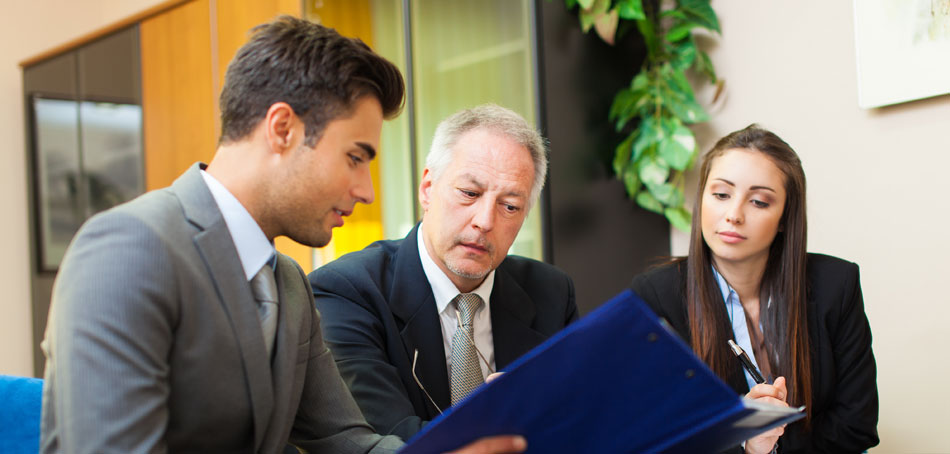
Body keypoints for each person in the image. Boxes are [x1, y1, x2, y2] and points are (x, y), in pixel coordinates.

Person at [40, 16, 526, 454]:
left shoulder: (287, 282)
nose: (366, 191)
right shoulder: (127, 249)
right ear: (282, 129)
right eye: (356, 158)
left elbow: (345, 439)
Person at [308, 104, 578, 440]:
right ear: (428, 188)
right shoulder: (346, 292)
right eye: (469, 193)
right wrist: (498, 420)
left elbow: (578, 422)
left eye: (509, 206)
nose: (485, 221)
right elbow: (389, 439)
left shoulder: (551, 291)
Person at [630, 125, 878, 454]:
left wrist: (772, 445)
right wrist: (745, 441)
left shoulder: (836, 284)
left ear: (785, 219)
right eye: (720, 195)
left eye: (759, 202)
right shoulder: (656, 295)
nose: (733, 215)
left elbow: (857, 426)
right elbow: (656, 436)